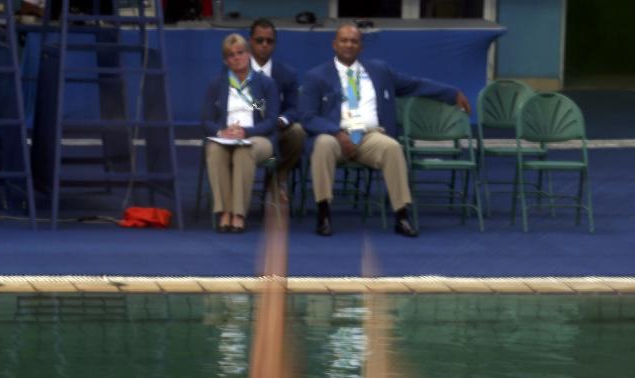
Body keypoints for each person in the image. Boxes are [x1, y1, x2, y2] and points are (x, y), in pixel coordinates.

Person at [299, 23, 471, 237]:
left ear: (361, 47)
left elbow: (415, 84)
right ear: (334, 45)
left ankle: (401, 216)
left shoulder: (379, 71)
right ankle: (323, 213)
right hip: (335, 137)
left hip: (370, 136)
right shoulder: (316, 76)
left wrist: (452, 93)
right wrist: (337, 133)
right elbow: (307, 117)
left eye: (354, 41)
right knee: (322, 145)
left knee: (392, 147)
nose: (349, 45)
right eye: (344, 40)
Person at [201, 34, 280, 233]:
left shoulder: (264, 83)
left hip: (258, 138)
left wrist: (247, 132)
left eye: (240, 53)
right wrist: (222, 131)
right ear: (225, 60)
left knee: (244, 152)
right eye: (230, 55)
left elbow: (270, 120)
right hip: (225, 137)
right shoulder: (217, 84)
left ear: (248, 54)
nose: (236, 58)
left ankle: (238, 213)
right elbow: (206, 120)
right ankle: (224, 211)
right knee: (214, 150)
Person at [248, 18, 306, 189]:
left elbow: (294, 107)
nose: (264, 44)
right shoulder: (237, 69)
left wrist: (281, 119)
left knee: (298, 131)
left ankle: (278, 176)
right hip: (245, 128)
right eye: (259, 40)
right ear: (251, 41)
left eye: (269, 41)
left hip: (276, 129)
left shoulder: (287, 73)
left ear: (274, 44)